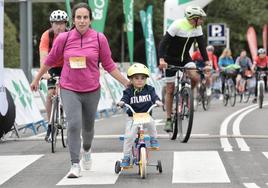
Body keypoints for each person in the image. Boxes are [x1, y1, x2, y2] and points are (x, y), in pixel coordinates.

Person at [31, 2, 129, 178]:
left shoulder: (100, 38)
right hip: (69, 88)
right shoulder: (64, 38)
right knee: (74, 125)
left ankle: (87, 149)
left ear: (90, 19)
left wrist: (127, 83)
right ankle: (75, 164)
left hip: (92, 89)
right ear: (73, 20)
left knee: (88, 128)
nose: (82, 21)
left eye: (85, 17)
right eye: (78, 17)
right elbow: (50, 60)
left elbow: (109, 65)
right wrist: (37, 78)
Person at [158, 6, 209, 132]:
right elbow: (163, 43)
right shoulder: (177, 25)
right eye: (200, 19)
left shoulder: (197, 28)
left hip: (186, 58)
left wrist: (207, 62)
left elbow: (202, 46)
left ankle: (187, 93)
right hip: (170, 59)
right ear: (193, 19)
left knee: (195, 76)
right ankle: (169, 119)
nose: (202, 21)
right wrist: (161, 60)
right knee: (170, 90)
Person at [118, 63, 162, 167]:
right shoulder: (128, 91)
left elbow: (154, 97)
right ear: (131, 80)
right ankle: (126, 156)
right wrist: (122, 102)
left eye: (142, 78)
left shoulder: (150, 89)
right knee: (129, 137)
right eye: (136, 78)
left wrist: (158, 101)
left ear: (146, 79)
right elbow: (124, 99)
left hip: (145, 115)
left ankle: (153, 139)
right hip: (133, 117)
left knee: (151, 123)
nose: (139, 80)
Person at [39, 10, 69, 142]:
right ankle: (50, 125)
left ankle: (65, 113)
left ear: (65, 24)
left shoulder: (70, 35)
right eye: (56, 23)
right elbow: (43, 56)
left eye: (61, 23)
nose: (59, 26)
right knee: (50, 93)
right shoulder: (47, 35)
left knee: (69, 93)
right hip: (53, 66)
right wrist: (44, 72)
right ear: (52, 24)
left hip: (68, 65)